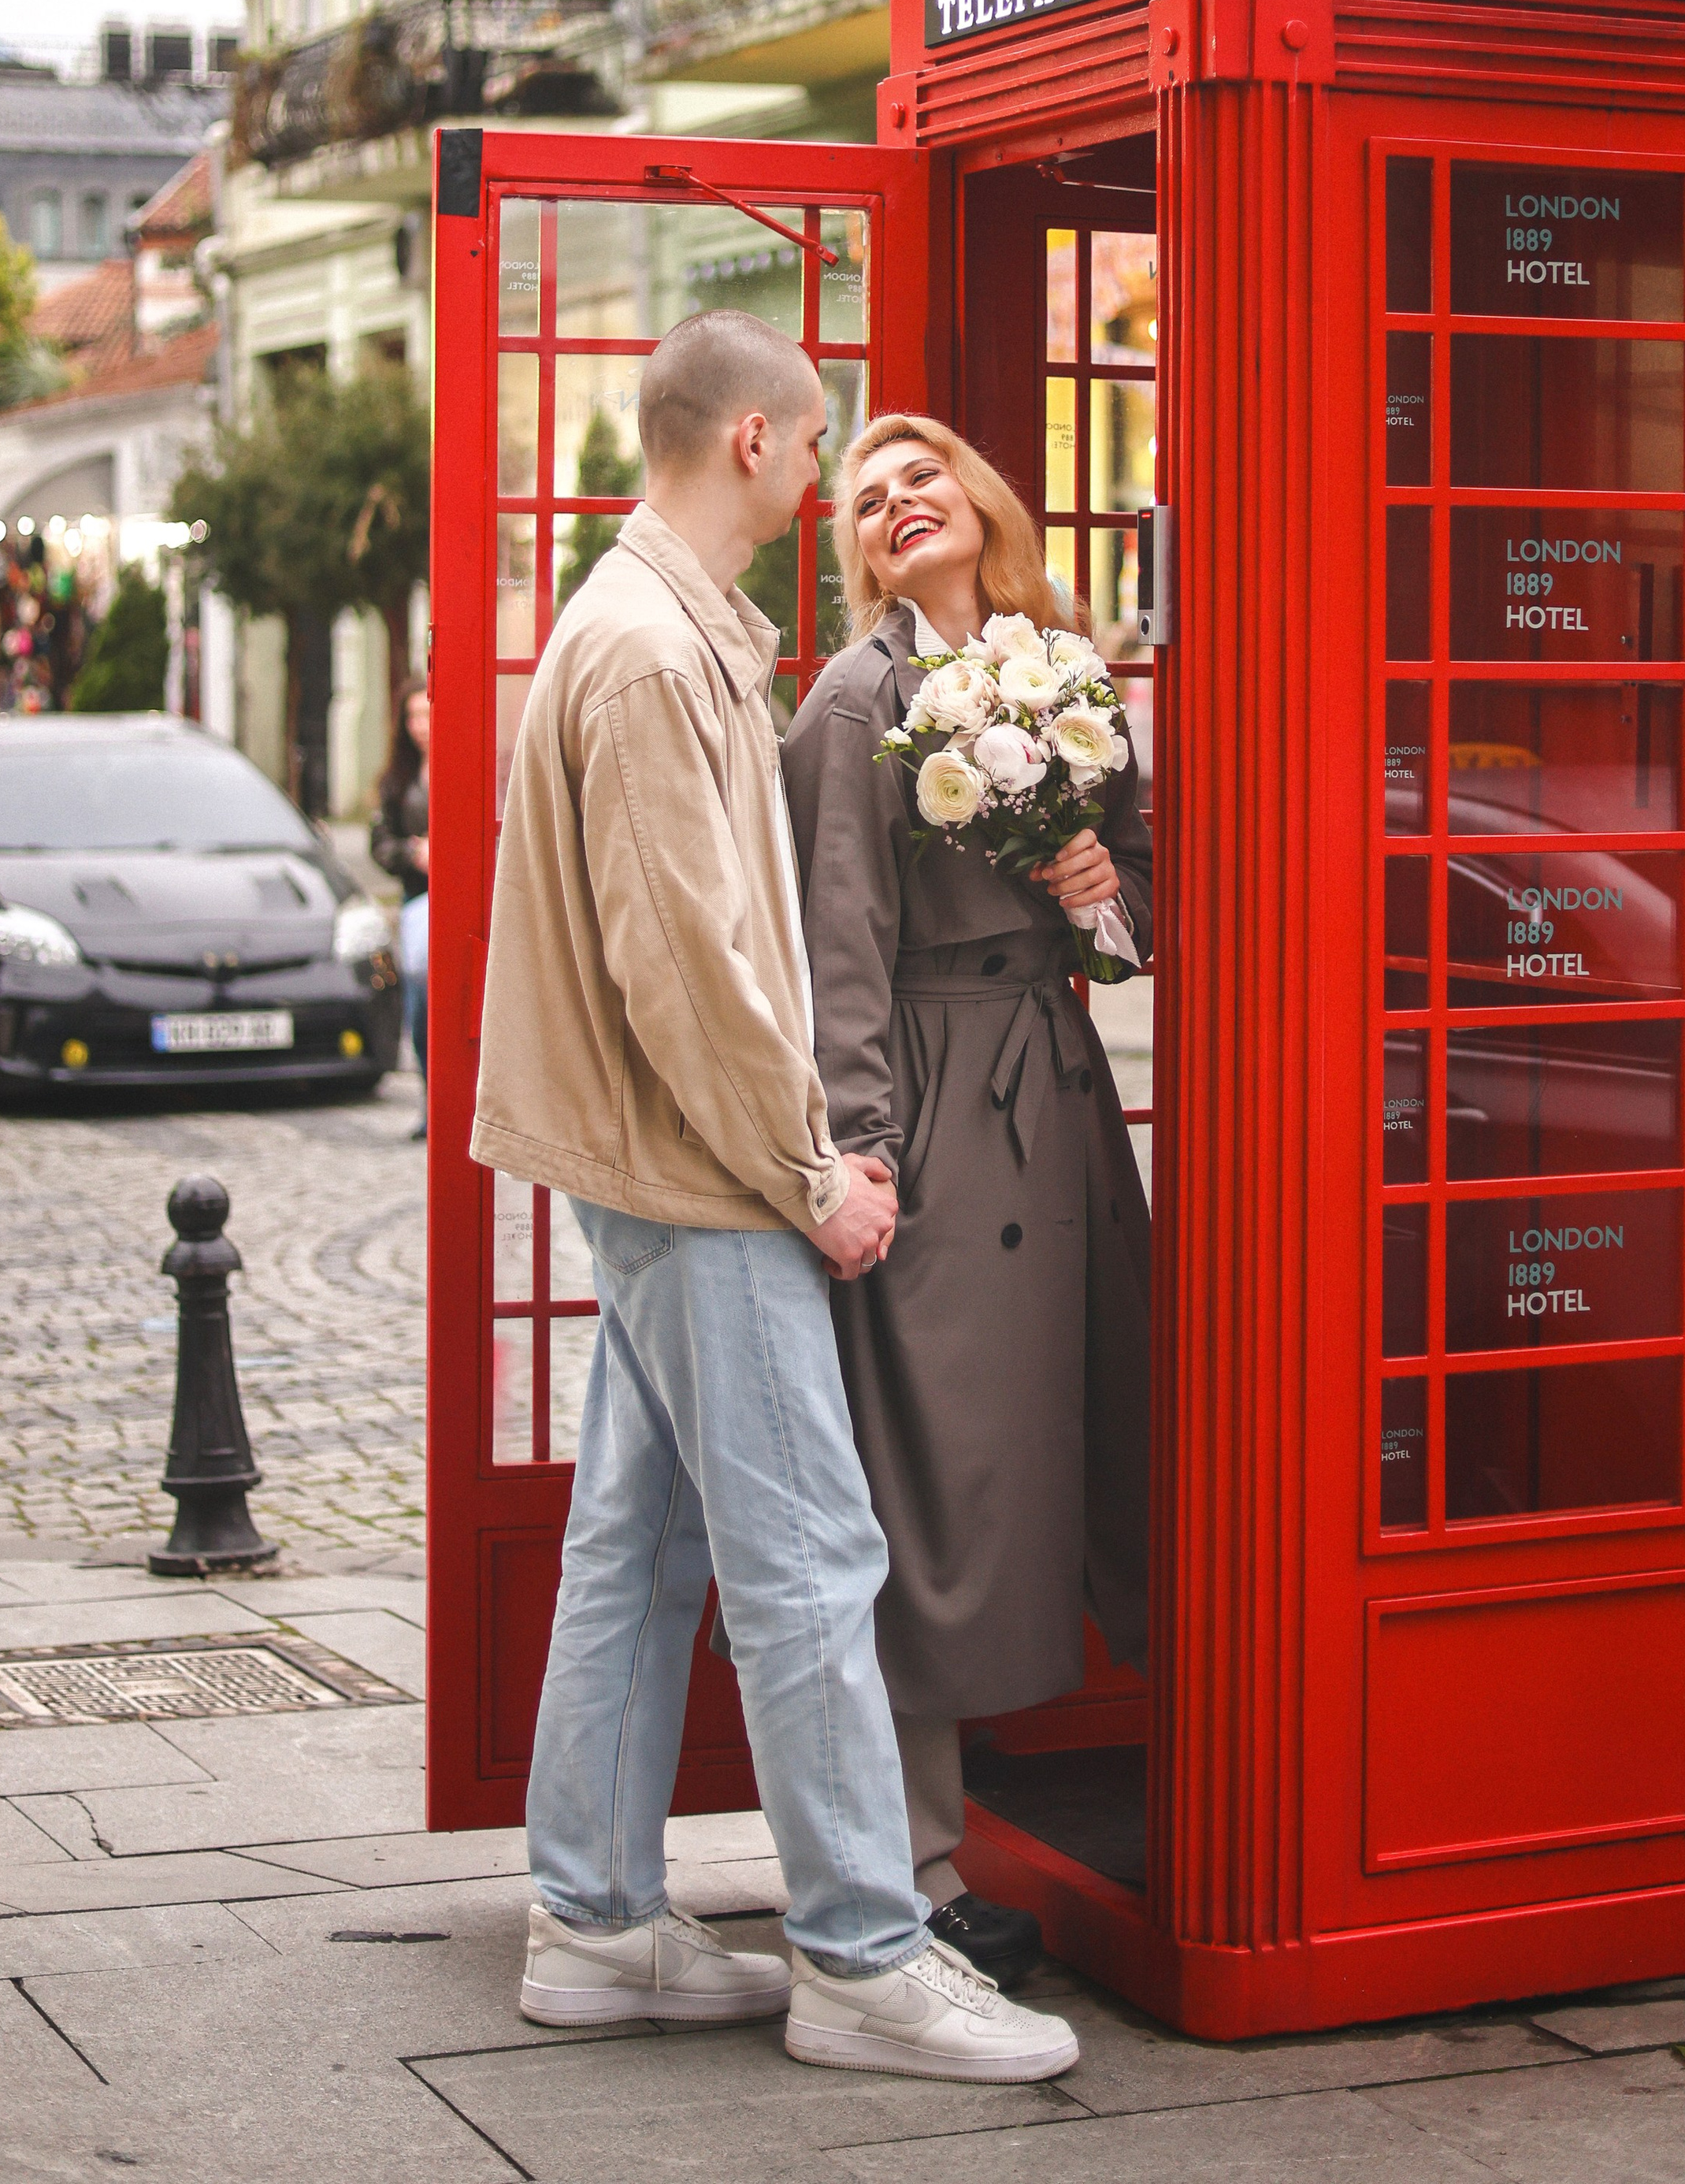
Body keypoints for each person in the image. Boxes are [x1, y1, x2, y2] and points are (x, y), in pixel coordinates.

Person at [469, 311, 1078, 2086]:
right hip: (702, 1168)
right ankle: (863, 1960)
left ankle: (590, 1920)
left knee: (638, 1550)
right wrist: (812, 1174)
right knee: (813, 1558)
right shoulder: (661, 659)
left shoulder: (652, 626)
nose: (826, 480)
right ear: (751, 441)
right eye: (817, 447)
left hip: (650, 1158)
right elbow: (697, 969)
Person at [781, 412, 1152, 1989]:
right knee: (930, 1485)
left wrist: (1098, 895)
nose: (898, 503)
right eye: (867, 499)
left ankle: (1142, 1762)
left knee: (1107, 1430)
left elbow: (1139, 912)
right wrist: (859, 1153)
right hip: (939, 1109)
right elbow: (838, 950)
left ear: (978, 499)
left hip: (1059, 1098)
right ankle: (920, 1872)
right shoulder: (856, 702)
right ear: (855, 551)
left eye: (920, 475)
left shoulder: (1059, 663)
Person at [371, 679, 430, 1138]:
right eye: (412, 716)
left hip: (470, 905)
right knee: (421, 1003)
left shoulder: (472, 762)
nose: (422, 726)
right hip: (418, 902)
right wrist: (414, 855)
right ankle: (432, 1099)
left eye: (428, 713)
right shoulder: (397, 779)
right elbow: (380, 843)